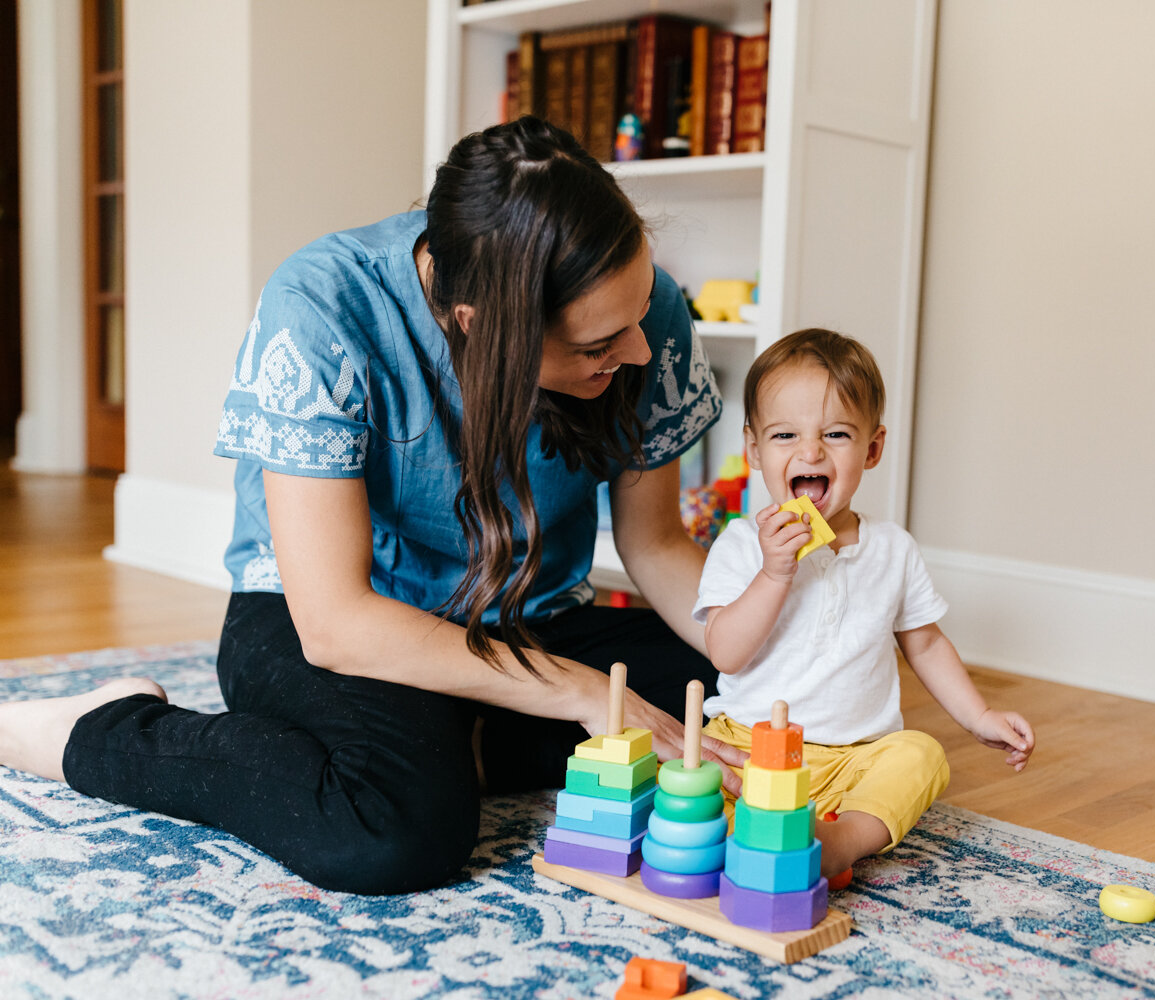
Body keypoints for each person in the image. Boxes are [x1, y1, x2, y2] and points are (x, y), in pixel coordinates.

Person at [0, 117, 746, 895]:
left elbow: (655, 544)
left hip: (526, 618)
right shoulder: (323, 307)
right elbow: (334, 622)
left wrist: (784, 653)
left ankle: (464, 738)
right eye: (598, 347)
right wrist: (587, 690)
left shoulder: (636, 313)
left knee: (747, 690)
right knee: (391, 832)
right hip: (337, 626)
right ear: (482, 327)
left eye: (638, 316)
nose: (636, 351)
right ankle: (97, 732)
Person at [694, 328, 1035, 881]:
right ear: (754, 451)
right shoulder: (739, 545)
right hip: (752, 747)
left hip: (856, 754)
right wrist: (773, 572)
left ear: (872, 449)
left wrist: (980, 716)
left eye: (835, 434)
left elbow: (924, 643)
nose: (811, 452)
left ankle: (841, 839)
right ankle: (756, 832)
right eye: (785, 435)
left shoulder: (894, 550)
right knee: (690, 778)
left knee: (920, 756)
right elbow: (725, 653)